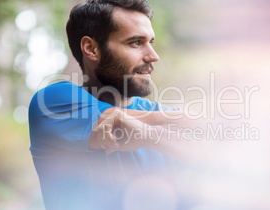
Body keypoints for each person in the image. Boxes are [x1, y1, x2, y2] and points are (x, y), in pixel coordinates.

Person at [28, 0, 193, 209]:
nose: (153, 55)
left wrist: (148, 132)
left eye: (151, 42)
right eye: (136, 42)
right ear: (91, 49)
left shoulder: (153, 111)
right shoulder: (52, 102)